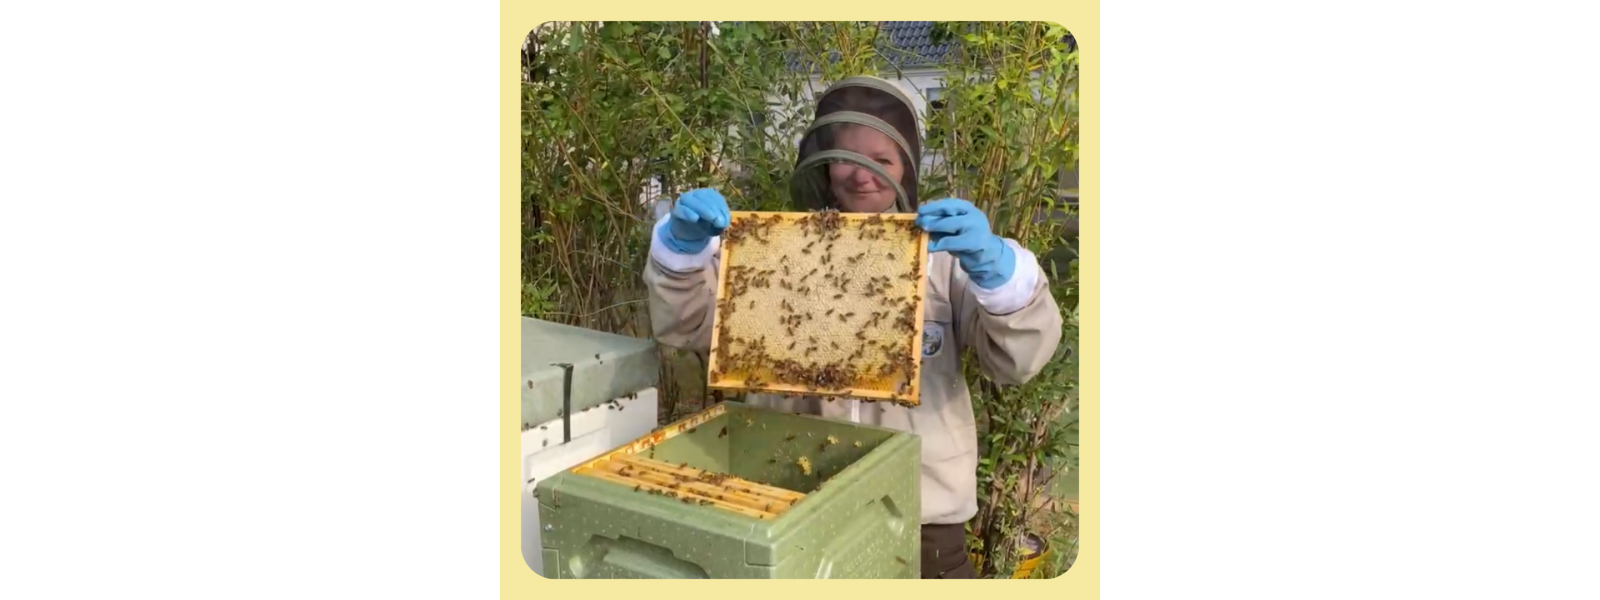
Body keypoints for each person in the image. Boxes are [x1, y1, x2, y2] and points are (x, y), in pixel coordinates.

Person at [643, 76, 1062, 579]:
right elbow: (689, 329)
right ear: (822, 162)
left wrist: (1001, 274)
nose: (863, 175)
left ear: (905, 166)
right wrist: (681, 254)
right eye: (847, 158)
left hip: (922, 521)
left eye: (882, 160)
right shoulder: (775, 250)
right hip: (791, 505)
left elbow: (1016, 362)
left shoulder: (946, 261)